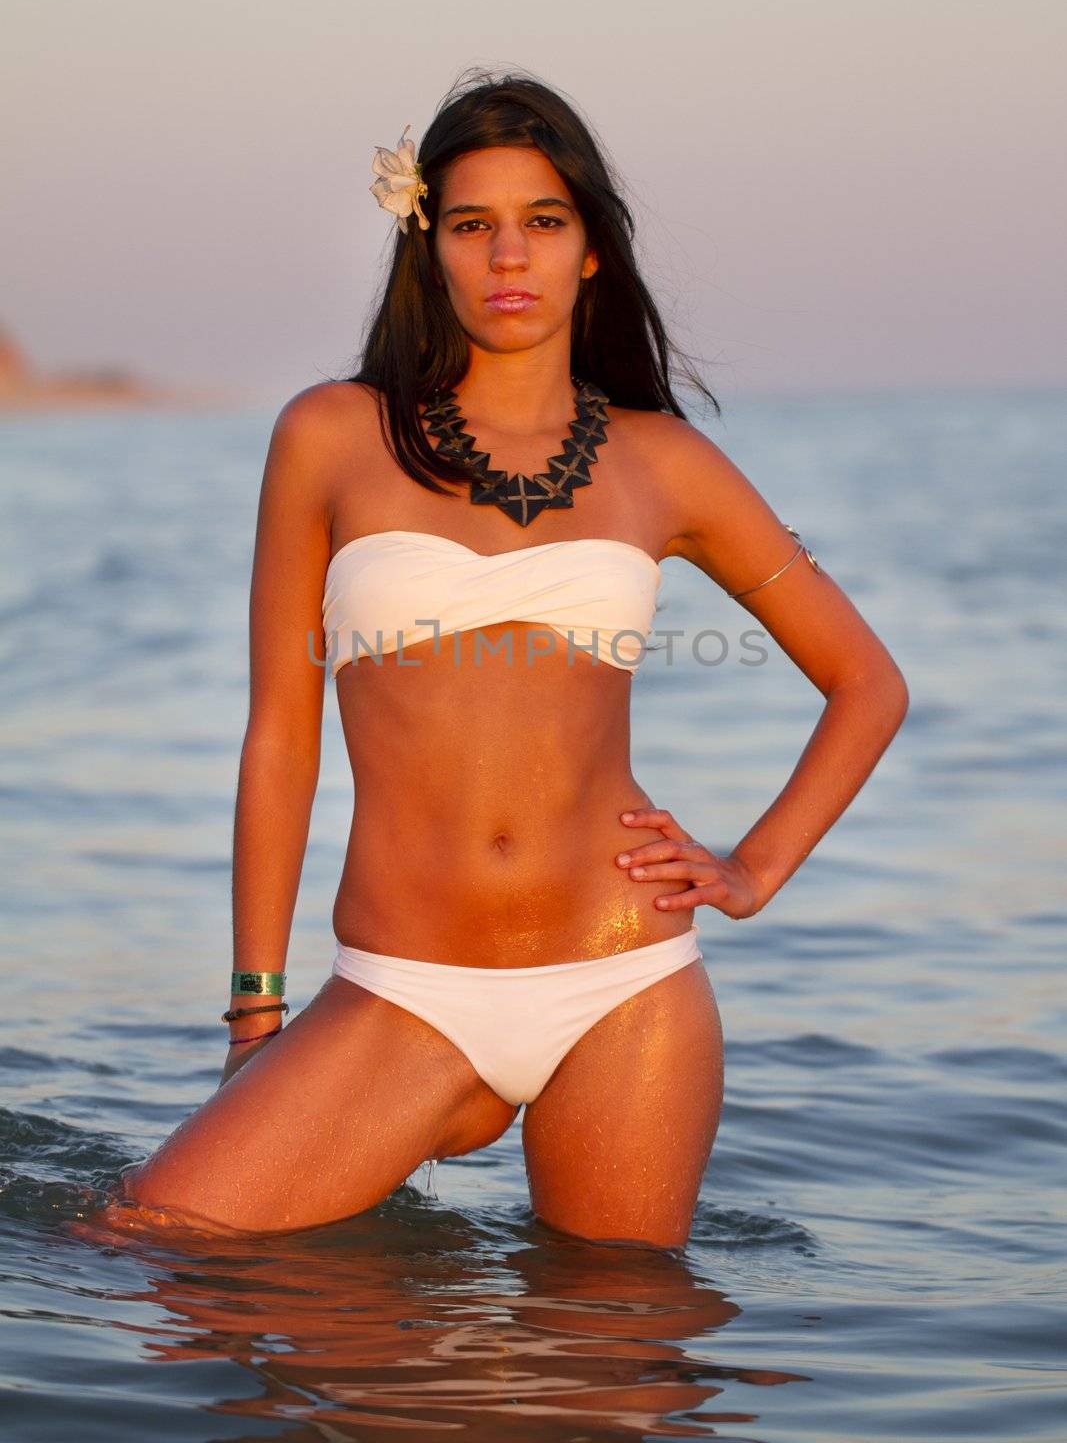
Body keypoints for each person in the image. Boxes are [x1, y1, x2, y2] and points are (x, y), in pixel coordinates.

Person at [114, 71, 908, 1248]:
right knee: (157, 1254)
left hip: (622, 982)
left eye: (543, 221)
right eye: (472, 224)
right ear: (425, 243)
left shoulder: (662, 463)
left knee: (609, 1359)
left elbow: (867, 683)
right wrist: (254, 1008)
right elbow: (281, 735)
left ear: (590, 249)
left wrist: (750, 869)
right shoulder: (331, 435)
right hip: (401, 984)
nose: (508, 257)